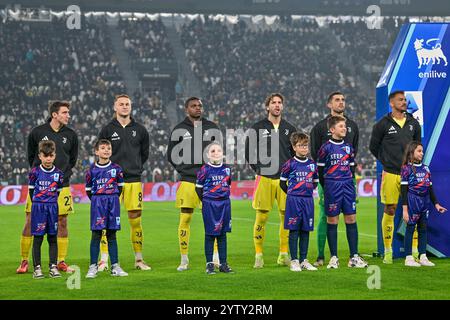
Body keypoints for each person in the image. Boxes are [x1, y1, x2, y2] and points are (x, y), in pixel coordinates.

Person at [17, 101, 79, 274]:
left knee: (63, 222)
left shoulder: (71, 135)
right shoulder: (38, 132)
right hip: (39, 186)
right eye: (65, 112)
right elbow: (31, 157)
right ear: (55, 115)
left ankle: (60, 261)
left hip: (62, 185)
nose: (68, 115)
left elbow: (72, 159)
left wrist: (62, 176)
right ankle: (24, 261)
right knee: (30, 221)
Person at [98, 94, 151, 271]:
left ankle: (139, 259)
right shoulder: (107, 130)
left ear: (131, 106)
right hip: (111, 181)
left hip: (133, 181)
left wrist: (134, 168)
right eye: (121, 104)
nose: (125, 106)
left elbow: (144, 154)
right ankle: (104, 260)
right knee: (106, 221)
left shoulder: (140, 130)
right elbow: (101, 152)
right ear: (115, 107)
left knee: (136, 220)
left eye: (127, 104)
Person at [167, 97, 221, 271]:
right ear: (186, 109)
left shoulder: (212, 127)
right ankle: (184, 259)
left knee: (213, 219)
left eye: (200, 106)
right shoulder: (179, 129)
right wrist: (185, 169)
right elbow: (171, 155)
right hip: (189, 180)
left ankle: (215, 257)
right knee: (186, 217)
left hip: (210, 181)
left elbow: (218, 151)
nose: (198, 108)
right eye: (194, 106)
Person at [245, 93, 297, 268]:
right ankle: (258, 255)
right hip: (265, 178)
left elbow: (295, 154)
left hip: (284, 179)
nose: (277, 105)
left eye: (279, 102)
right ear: (267, 106)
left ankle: (283, 254)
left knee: (286, 217)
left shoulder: (290, 129)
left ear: (282, 106)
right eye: (273, 102)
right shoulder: (257, 127)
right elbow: (248, 153)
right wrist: (259, 169)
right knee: (262, 216)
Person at [369, 90, 422, 264]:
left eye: (405, 100)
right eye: (400, 100)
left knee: (413, 211)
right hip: (391, 173)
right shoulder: (382, 124)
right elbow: (373, 147)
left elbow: (417, 146)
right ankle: (388, 250)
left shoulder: (414, 123)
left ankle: (414, 251)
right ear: (391, 103)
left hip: (411, 173)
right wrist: (387, 161)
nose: (404, 102)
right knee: (390, 209)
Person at [310, 91, 359, 267]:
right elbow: (316, 154)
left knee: (351, 216)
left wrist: (350, 177)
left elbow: (353, 152)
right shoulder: (319, 127)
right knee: (326, 217)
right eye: (337, 100)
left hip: (347, 179)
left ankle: (354, 255)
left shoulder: (352, 125)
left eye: (343, 100)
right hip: (328, 181)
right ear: (329, 104)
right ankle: (322, 255)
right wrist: (324, 183)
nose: (341, 102)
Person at [317, 115, 368, 269]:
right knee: (332, 221)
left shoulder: (348, 148)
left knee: (351, 219)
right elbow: (320, 172)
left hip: (347, 186)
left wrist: (352, 186)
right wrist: (326, 189)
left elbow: (352, 169)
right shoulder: (325, 148)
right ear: (332, 129)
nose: (344, 128)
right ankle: (334, 258)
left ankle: (354, 257)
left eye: (344, 126)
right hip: (332, 186)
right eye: (341, 126)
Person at [85, 139, 128, 278]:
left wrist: (112, 198)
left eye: (108, 148)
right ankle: (93, 267)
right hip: (98, 202)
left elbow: (120, 187)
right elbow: (88, 191)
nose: (106, 150)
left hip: (113, 202)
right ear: (96, 151)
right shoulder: (91, 170)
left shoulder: (116, 168)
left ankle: (115, 266)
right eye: (102, 148)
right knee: (96, 234)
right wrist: (99, 200)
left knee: (112, 234)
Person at [400, 141, 447, 267]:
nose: (422, 153)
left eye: (422, 151)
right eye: (419, 151)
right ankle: (408, 258)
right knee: (410, 229)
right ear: (412, 152)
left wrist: (436, 204)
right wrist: (405, 210)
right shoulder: (406, 169)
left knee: (423, 229)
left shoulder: (426, 168)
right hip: (412, 201)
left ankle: (423, 256)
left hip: (425, 202)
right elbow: (403, 191)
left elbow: (430, 188)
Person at [280, 132, 318, 272]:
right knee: (294, 229)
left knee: (305, 230)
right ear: (294, 147)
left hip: (307, 200)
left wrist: (305, 192)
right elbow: (282, 184)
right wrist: (292, 194)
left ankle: (304, 260)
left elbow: (314, 183)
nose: (304, 148)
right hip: (293, 200)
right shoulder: (289, 164)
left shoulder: (312, 165)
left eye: (305, 145)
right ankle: (294, 260)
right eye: (300, 145)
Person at [195, 142, 233, 275]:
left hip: (225, 205)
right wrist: (206, 201)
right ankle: (209, 265)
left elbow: (228, 184)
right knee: (210, 235)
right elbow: (198, 189)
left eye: (218, 150)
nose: (216, 153)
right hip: (210, 205)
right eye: (212, 151)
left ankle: (223, 264)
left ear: (223, 154)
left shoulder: (227, 169)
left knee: (222, 235)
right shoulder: (204, 169)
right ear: (208, 155)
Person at [28, 140, 64, 279]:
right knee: (38, 238)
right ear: (40, 156)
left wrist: (49, 201)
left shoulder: (59, 174)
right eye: (45, 155)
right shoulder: (35, 172)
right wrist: (39, 203)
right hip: (38, 207)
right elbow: (31, 192)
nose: (48, 158)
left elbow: (58, 191)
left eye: (51, 155)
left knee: (52, 237)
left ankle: (53, 266)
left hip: (52, 207)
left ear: (54, 156)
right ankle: (37, 268)